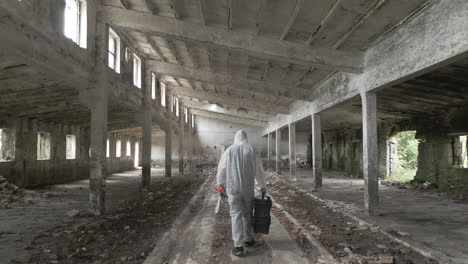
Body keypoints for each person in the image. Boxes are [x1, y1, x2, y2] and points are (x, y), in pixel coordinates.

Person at [216, 129, 267, 257]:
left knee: (235, 215)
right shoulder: (251, 150)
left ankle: (238, 246)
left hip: (233, 189)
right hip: (248, 188)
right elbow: (259, 170)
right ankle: (248, 240)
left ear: (236, 138)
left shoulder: (229, 151)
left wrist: (220, 186)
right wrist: (262, 186)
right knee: (247, 213)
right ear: (246, 137)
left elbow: (221, 169)